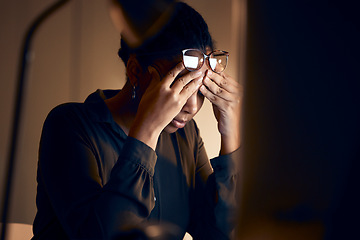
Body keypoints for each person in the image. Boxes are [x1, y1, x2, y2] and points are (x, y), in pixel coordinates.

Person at [32, 2, 242, 239]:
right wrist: (146, 131)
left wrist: (230, 133)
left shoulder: (186, 135)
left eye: (201, 88)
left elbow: (217, 233)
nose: (193, 107)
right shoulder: (68, 125)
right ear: (135, 70)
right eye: (179, 86)